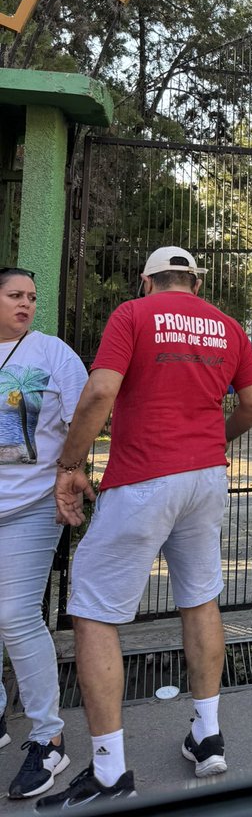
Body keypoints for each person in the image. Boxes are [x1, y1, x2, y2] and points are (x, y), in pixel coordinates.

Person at [36, 247, 252, 809]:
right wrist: (215, 442)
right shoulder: (227, 326)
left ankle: (111, 770)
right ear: (195, 281)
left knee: (91, 610)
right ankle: (207, 734)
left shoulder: (133, 315)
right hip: (206, 479)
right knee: (200, 597)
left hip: (144, 476)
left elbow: (99, 391)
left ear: (146, 281)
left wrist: (69, 465)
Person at [0, 266, 87, 799]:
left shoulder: (52, 354)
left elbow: (86, 415)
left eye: (31, 297)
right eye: (14, 296)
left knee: (14, 615)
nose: (26, 304)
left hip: (32, 504)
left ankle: (49, 739)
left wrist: (72, 472)